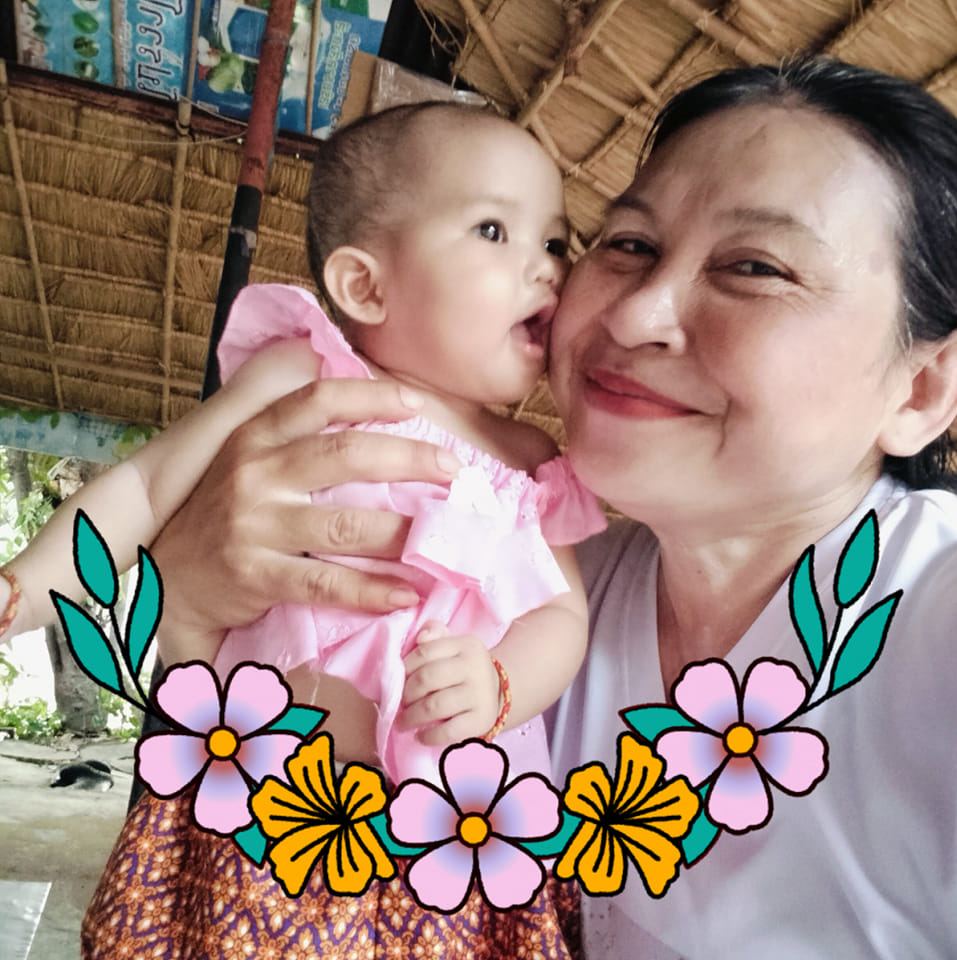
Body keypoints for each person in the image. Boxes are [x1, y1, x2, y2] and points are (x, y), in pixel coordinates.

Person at [94, 56, 957, 958]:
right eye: (629, 245)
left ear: (922, 387)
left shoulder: (930, 618)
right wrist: (187, 612)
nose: (634, 316)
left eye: (755, 266)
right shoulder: (530, 583)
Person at [0, 103, 605, 793]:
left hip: (451, 817)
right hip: (270, 795)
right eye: (493, 230)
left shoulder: (530, 460)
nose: (549, 269)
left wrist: (498, 685)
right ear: (366, 286)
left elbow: (561, 618)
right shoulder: (305, 377)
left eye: (555, 243)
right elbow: (144, 488)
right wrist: (21, 589)